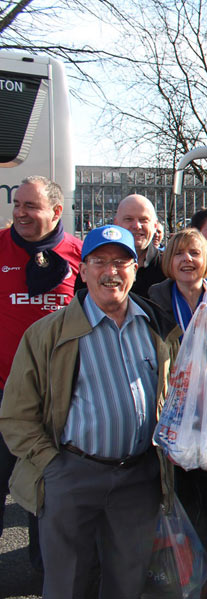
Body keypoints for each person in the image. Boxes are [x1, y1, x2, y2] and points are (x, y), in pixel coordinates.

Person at [0, 225, 174, 598]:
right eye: (99, 262)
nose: (111, 271)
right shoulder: (47, 333)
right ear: (82, 269)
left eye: (121, 262)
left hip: (138, 478)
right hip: (72, 474)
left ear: (136, 268)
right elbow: (16, 413)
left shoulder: (158, 327)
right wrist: (52, 465)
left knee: (127, 583)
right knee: (67, 583)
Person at [147, 228, 207, 594]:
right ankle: (192, 582)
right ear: (168, 263)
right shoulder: (153, 302)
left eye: (194, 252)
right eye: (178, 254)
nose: (186, 260)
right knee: (186, 506)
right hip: (175, 423)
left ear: (206, 257)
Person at [0, 176, 82, 571]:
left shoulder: (80, 254)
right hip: (2, 394)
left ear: (56, 211)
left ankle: (43, 578)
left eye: (31, 206)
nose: (20, 213)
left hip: (58, 401)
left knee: (46, 494)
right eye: (18, 205)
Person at [115, 194, 165, 298]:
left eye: (143, 220)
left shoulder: (169, 267)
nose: (137, 226)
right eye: (128, 219)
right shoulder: (99, 268)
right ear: (116, 223)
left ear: (155, 225)